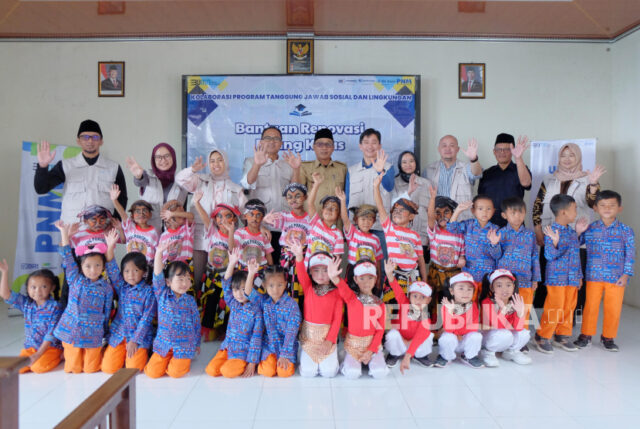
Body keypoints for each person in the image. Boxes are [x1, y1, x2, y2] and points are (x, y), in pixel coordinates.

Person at [532, 142, 605, 311]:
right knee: (549, 278)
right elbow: (537, 206)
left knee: (574, 280)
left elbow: (593, 203)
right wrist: (538, 230)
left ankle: (572, 319)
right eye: (563, 155)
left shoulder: (588, 178)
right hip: (551, 236)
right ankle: (549, 319)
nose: (567, 159)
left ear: (578, 157)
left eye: (571, 155)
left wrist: (593, 184)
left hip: (575, 237)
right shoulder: (548, 179)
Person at [176, 149, 246, 295]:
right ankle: (196, 312)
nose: (216, 164)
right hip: (200, 236)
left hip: (224, 242)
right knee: (196, 278)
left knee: (221, 283)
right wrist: (192, 169)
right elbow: (180, 180)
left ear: (226, 162)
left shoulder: (236, 189)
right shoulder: (199, 180)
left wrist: (262, 226)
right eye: (212, 161)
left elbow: (247, 216)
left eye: (219, 160)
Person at [574, 190, 635, 352]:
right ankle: (585, 335)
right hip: (594, 275)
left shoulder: (626, 231)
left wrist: (626, 274)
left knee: (613, 308)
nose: (607, 208)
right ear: (595, 208)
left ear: (619, 208)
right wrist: (578, 231)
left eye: (612, 205)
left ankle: (608, 337)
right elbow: (576, 243)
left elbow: (630, 254)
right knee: (590, 307)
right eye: (603, 205)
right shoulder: (590, 228)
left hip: (616, 277)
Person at [34, 120, 127, 224]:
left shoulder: (113, 167)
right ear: (78, 141)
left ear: (101, 141)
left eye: (95, 137)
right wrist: (43, 166)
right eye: (85, 137)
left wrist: (114, 223)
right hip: (73, 231)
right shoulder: (66, 166)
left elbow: (122, 199)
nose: (90, 141)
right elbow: (41, 188)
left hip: (104, 231)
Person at [53, 220, 113, 374]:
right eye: (88, 266)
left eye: (97, 266)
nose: (93, 270)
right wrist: (64, 232)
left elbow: (106, 311)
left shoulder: (106, 287)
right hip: (72, 329)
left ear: (103, 267)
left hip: (93, 332)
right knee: (74, 368)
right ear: (81, 267)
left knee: (91, 369)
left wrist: (104, 330)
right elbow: (67, 255)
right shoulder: (74, 278)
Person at [534, 195, 588, 354]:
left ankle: (562, 335)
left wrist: (579, 276)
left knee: (569, 307)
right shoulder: (550, 231)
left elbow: (575, 256)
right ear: (563, 212)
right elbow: (549, 256)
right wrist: (555, 242)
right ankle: (542, 335)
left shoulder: (572, 233)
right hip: (557, 278)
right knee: (555, 306)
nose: (576, 212)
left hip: (571, 278)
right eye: (574, 209)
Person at [241, 126, 302, 260]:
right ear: (261, 142)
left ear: (281, 143)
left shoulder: (288, 164)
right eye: (268, 138)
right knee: (261, 267)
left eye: (276, 139)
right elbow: (247, 184)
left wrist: (296, 169)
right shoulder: (251, 161)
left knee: (283, 267)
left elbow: (296, 191)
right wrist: (257, 164)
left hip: (285, 227)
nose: (272, 141)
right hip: (260, 226)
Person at [102, 230, 157, 374]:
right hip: (119, 334)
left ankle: (145, 352)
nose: (130, 275)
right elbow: (111, 266)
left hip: (139, 337)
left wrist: (135, 340)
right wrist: (110, 246)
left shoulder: (149, 292)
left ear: (144, 272)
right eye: (126, 271)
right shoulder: (122, 286)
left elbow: (146, 319)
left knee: (133, 369)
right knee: (108, 369)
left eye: (135, 271)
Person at [144, 240, 200, 378]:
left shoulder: (190, 300)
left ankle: (179, 361)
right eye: (180, 279)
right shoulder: (162, 294)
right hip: (164, 343)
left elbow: (196, 323)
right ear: (168, 282)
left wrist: (196, 343)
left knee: (176, 373)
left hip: (184, 344)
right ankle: (167, 359)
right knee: (152, 373)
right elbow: (157, 275)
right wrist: (158, 253)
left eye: (188, 279)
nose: (185, 283)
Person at [326, 257, 389, 379]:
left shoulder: (380, 304)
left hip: (372, 345)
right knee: (352, 374)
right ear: (355, 279)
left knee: (379, 373)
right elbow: (341, 286)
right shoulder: (351, 297)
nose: (366, 282)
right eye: (362, 278)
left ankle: (372, 360)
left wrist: (371, 350)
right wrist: (334, 277)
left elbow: (380, 331)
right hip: (353, 345)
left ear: (375, 279)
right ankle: (349, 359)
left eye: (370, 278)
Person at [205, 248, 263, 378]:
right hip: (227, 347)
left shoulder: (256, 309)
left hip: (243, 352)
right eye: (236, 290)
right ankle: (228, 360)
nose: (239, 294)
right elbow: (225, 285)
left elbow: (256, 338)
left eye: (243, 289)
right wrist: (231, 263)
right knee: (211, 370)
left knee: (227, 372)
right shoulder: (234, 303)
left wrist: (252, 362)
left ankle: (237, 363)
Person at [289, 240, 342, 378]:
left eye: (325, 270)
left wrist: (330, 340)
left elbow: (337, 319)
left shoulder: (337, 292)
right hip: (309, 338)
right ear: (310, 271)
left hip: (327, 337)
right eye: (316, 270)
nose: (320, 275)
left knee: (329, 373)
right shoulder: (308, 288)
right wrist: (299, 257)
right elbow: (300, 273)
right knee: (308, 373)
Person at [0, 261, 63, 374]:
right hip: (31, 347)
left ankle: (60, 356)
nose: (37, 291)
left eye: (43, 286)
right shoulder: (27, 304)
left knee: (37, 368)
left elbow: (51, 334)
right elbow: (5, 295)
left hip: (50, 348)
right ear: (28, 289)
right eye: (33, 287)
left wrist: (38, 354)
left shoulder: (55, 307)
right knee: (17, 368)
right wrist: (4, 272)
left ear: (52, 287)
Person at [373, 170, 426, 303]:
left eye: (402, 211)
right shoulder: (390, 228)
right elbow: (380, 207)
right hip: (394, 277)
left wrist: (424, 281)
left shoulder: (415, 236)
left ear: (411, 216)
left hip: (413, 278)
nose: (397, 213)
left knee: (412, 313)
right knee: (392, 312)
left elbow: (421, 260)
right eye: (395, 211)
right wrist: (376, 187)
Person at [192, 195, 240, 340]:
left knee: (225, 302)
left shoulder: (237, 235)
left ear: (234, 219)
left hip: (227, 275)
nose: (223, 219)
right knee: (210, 300)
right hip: (211, 273)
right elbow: (204, 217)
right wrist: (196, 202)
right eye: (219, 216)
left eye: (227, 216)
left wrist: (230, 233)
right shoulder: (212, 231)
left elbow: (232, 251)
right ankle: (208, 328)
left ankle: (222, 329)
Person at [244, 261, 301, 378]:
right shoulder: (264, 301)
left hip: (287, 346)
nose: (275, 289)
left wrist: (285, 354)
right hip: (269, 346)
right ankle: (270, 361)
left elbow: (292, 332)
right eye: (271, 285)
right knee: (267, 371)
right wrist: (250, 274)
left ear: (285, 284)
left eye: (280, 285)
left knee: (284, 373)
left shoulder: (292, 305)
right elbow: (248, 293)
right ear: (264, 285)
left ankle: (283, 360)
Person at [345, 129, 395, 254]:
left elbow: (389, 186)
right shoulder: (351, 171)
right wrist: (347, 226)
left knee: (382, 267)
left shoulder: (388, 167)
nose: (370, 146)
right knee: (358, 265)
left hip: (380, 227)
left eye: (374, 142)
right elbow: (346, 201)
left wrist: (380, 170)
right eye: (366, 142)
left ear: (380, 146)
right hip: (357, 227)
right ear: (360, 146)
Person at [262, 183, 311, 307]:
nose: (293, 199)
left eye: (297, 196)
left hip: (303, 258)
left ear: (305, 197)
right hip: (286, 258)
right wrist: (265, 220)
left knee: (302, 285)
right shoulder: (284, 216)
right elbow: (269, 223)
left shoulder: (311, 218)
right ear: (286, 200)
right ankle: (284, 311)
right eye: (290, 197)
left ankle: (299, 314)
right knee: (284, 283)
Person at [497, 197, 540, 334]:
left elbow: (534, 256)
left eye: (521, 212)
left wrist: (535, 278)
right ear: (504, 215)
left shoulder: (530, 235)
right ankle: (506, 335)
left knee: (525, 308)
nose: (517, 216)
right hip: (505, 282)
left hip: (525, 280)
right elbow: (496, 256)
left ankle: (521, 336)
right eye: (513, 213)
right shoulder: (501, 233)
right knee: (506, 308)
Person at [383, 259, 434, 372]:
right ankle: (394, 354)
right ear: (409, 296)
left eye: (422, 297)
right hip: (401, 341)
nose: (418, 300)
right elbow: (396, 289)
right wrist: (389, 274)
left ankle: (420, 356)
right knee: (392, 334)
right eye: (415, 296)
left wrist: (407, 356)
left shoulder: (425, 317)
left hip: (414, 344)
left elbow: (420, 336)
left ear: (428, 300)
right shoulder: (404, 303)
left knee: (428, 335)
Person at [127, 143, 188, 234]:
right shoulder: (148, 176)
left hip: (174, 235)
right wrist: (138, 176)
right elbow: (140, 182)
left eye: (167, 156)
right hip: (149, 234)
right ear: (153, 159)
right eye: (158, 157)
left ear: (173, 157)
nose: (163, 160)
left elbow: (183, 209)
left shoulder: (181, 180)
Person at [425, 187, 465, 322]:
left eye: (446, 212)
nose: (442, 216)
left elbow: (462, 250)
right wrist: (432, 198)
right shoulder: (434, 230)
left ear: (453, 212)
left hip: (453, 274)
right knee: (434, 301)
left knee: (451, 301)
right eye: (438, 212)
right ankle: (435, 328)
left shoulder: (459, 232)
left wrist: (462, 257)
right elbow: (430, 216)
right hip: (435, 272)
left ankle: (450, 327)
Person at [477, 134, 532, 227]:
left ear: (512, 151)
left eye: (506, 149)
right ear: (494, 152)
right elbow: (481, 199)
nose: (502, 152)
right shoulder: (487, 173)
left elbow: (526, 183)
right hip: (489, 225)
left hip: (514, 224)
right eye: (498, 149)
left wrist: (518, 158)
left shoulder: (520, 169)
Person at [479, 269, 531, 367]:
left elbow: (518, 328)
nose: (505, 289)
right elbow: (497, 325)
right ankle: (488, 352)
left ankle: (511, 351)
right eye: (499, 285)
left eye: (508, 285)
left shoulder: (514, 302)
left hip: (505, 333)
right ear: (492, 288)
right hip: (490, 335)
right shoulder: (488, 302)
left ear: (513, 286)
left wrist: (520, 313)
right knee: (505, 334)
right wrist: (503, 309)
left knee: (524, 332)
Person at [424, 135, 482, 220]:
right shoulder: (428, 170)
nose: (448, 149)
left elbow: (477, 173)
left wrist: (473, 159)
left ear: (457, 149)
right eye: (444, 146)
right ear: (438, 149)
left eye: (452, 145)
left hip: (461, 220)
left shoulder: (466, 167)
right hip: (437, 222)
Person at [447, 195, 501, 285]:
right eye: (480, 209)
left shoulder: (496, 230)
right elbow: (451, 228)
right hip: (469, 276)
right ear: (473, 211)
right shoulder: (468, 225)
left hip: (488, 278)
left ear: (493, 211)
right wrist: (458, 210)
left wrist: (494, 243)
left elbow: (497, 256)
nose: (484, 212)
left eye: (488, 209)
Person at [335, 187, 382, 289]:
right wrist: (343, 201)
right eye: (363, 219)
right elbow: (345, 219)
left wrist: (378, 278)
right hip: (353, 270)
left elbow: (378, 260)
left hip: (370, 272)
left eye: (370, 219)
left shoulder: (376, 239)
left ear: (373, 222)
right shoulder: (353, 233)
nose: (366, 222)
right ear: (356, 220)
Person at [436, 272, 483, 369]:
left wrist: (457, 333)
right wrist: (450, 312)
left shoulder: (473, 305)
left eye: (469, 289)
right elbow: (448, 329)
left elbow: (473, 327)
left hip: (463, 339)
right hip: (452, 339)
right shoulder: (446, 306)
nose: (466, 293)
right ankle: (445, 356)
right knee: (447, 337)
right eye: (461, 288)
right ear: (452, 291)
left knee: (476, 335)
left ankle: (468, 356)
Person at [393, 151, 433, 255]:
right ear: (400, 165)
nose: (408, 165)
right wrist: (409, 191)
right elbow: (393, 207)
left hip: (422, 235)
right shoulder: (394, 183)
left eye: (411, 161)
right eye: (404, 162)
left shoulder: (426, 183)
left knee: (420, 268)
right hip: (400, 236)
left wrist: (431, 235)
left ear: (416, 163)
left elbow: (431, 210)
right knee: (403, 267)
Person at [300, 128, 347, 215]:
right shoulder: (305, 168)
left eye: (328, 144)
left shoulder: (342, 168)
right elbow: (299, 196)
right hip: (312, 221)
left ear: (333, 147)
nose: (324, 147)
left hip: (335, 222)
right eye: (320, 144)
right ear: (314, 147)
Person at [110, 185, 158, 264]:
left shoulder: (154, 232)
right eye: (137, 211)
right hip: (131, 266)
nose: (141, 214)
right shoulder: (130, 227)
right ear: (132, 216)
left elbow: (157, 252)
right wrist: (114, 200)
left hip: (147, 268)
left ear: (150, 215)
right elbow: (123, 214)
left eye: (145, 211)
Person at [304, 173, 344, 262]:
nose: (329, 209)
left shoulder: (338, 234)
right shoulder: (316, 223)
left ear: (339, 215)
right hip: (309, 269)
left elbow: (337, 258)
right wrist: (317, 184)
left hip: (326, 272)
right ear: (322, 210)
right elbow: (310, 203)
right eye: (326, 206)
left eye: (334, 208)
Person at [234, 199, 274, 268]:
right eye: (251, 214)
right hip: (244, 269)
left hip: (261, 269)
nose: (254, 218)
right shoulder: (239, 233)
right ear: (245, 216)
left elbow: (268, 254)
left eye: (258, 215)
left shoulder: (264, 235)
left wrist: (271, 270)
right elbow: (233, 249)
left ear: (262, 218)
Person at [157, 200, 195, 265]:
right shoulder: (164, 235)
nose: (183, 217)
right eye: (179, 216)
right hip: (170, 266)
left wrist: (173, 214)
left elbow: (191, 216)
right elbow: (161, 253)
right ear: (168, 219)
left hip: (185, 264)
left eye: (182, 214)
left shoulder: (186, 228)